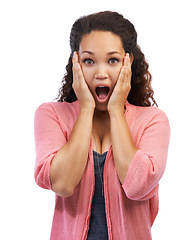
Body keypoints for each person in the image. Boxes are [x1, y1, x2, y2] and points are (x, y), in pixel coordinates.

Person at [34, 11, 170, 240]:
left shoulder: (153, 120)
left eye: (113, 60)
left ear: (128, 63)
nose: (100, 73)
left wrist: (116, 111)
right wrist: (85, 109)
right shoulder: (51, 115)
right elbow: (63, 184)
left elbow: (137, 186)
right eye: (88, 61)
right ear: (75, 63)